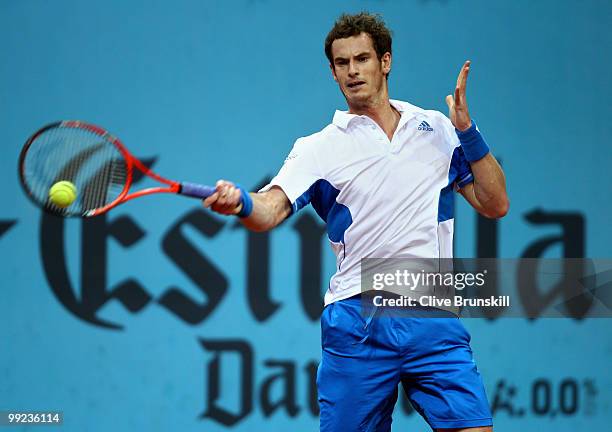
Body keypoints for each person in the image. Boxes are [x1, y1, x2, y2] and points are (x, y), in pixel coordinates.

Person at [203, 12, 508, 432]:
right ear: (332, 72)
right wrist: (241, 204)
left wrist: (467, 131)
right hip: (357, 318)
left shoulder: (437, 129)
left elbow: (495, 204)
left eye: (362, 59)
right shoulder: (317, 149)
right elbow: (270, 209)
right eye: (342, 63)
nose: (352, 71)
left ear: (385, 62)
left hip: (431, 316)